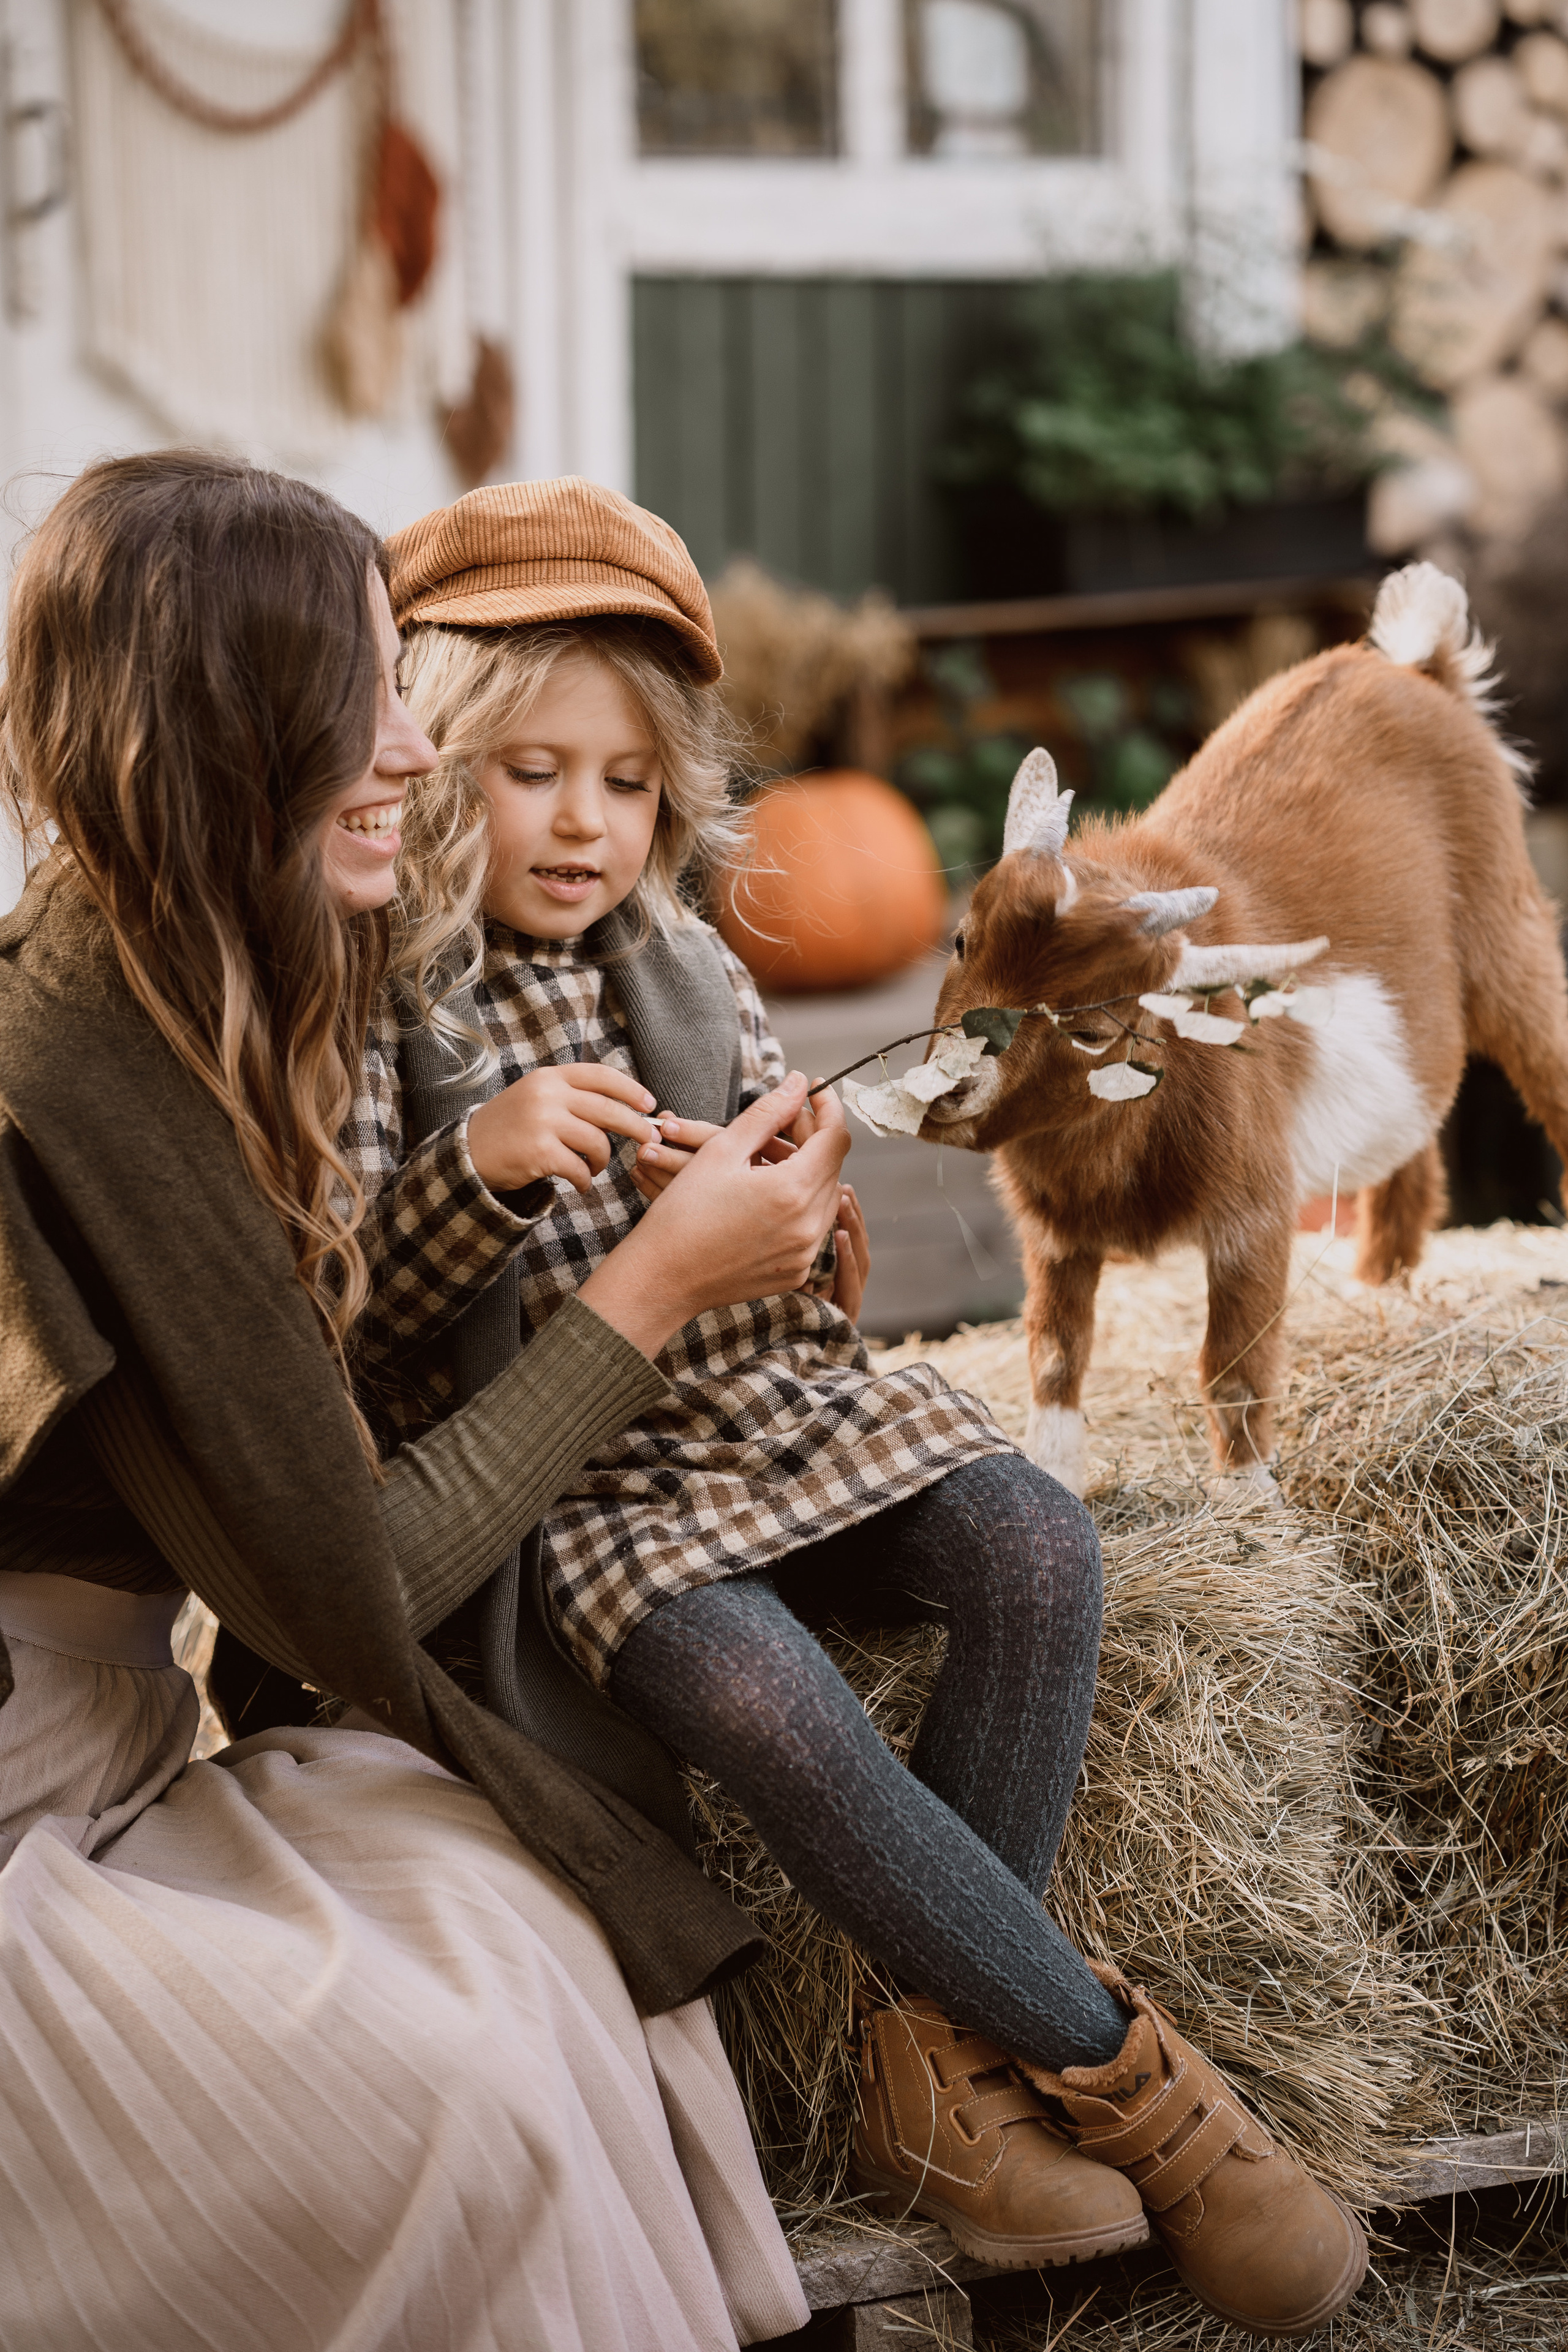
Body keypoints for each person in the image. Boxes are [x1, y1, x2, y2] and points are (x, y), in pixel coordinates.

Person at [345, 475, 1369, 2340]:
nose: (587, 823)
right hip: (585, 1467)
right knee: (764, 1691)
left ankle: (934, 2070)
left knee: (1035, 1542)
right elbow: (358, 1326)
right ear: (440, 766)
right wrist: (475, 1176)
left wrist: (805, 1206)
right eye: (535, 773)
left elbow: (803, 1244)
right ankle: (1155, 2100)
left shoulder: (690, 963)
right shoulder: (379, 1004)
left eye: (629, 785)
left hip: (773, 1403)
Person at [0, 450, 858, 2350]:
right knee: (456, 2101)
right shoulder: (76, 1057)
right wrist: (660, 1282)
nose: (417, 747)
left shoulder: (240, 971)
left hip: (121, 1748)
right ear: (224, 732)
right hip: (19, 1812)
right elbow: (356, 1582)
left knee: (537, 1911)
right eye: (366, 698)